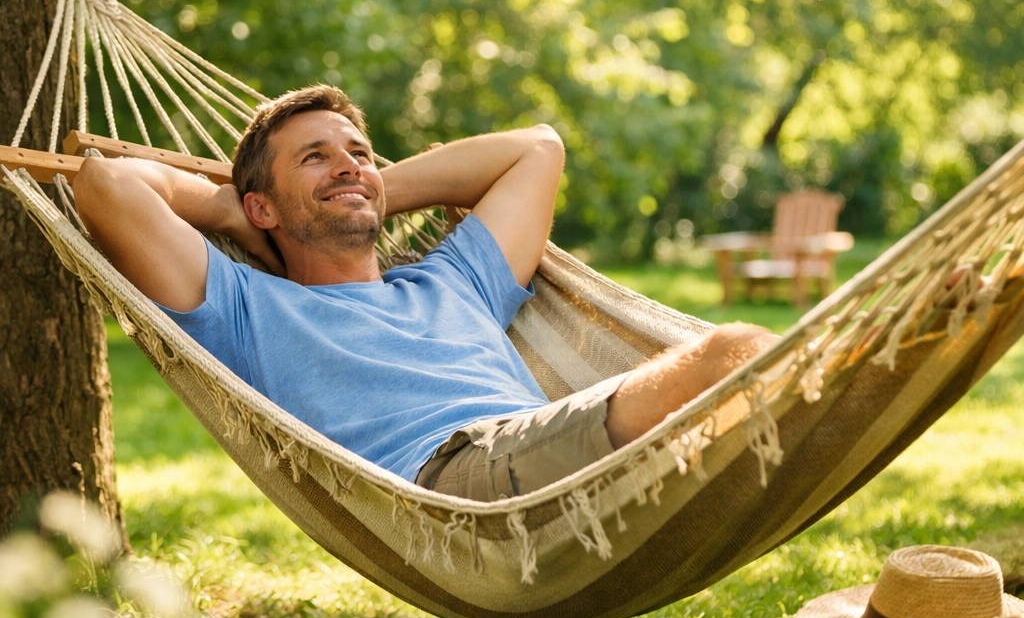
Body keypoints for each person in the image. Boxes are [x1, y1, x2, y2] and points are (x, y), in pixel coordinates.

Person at [75, 85, 776, 501]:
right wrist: (230, 209)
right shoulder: (248, 306)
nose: (348, 164)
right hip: (458, 487)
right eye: (315, 157)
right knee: (737, 353)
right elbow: (105, 184)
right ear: (261, 207)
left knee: (767, 362)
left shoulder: (455, 278)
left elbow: (539, 147)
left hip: (546, 446)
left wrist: (363, 189)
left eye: (358, 152)